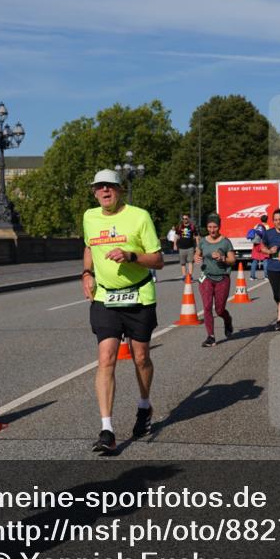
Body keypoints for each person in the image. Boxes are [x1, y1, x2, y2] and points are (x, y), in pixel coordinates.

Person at [82, 169, 164, 453]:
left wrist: (131, 256)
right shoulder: (89, 217)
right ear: (94, 192)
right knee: (106, 358)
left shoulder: (139, 216)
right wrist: (86, 273)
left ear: (120, 189)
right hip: (105, 297)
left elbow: (158, 259)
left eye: (110, 187)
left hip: (139, 295)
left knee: (141, 358)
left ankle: (144, 406)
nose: (105, 192)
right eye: (99, 188)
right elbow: (89, 247)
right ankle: (107, 429)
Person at [195, 214, 236, 347]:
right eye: (209, 227)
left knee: (219, 310)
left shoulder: (225, 242)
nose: (212, 230)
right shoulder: (202, 241)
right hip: (206, 277)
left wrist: (223, 258)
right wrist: (196, 258)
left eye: (215, 227)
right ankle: (210, 336)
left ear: (219, 227)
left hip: (222, 278)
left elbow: (233, 260)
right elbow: (198, 252)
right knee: (207, 307)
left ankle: (227, 319)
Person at [259, 209, 280, 331]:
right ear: (273, 221)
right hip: (272, 267)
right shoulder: (269, 233)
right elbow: (262, 247)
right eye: (276, 220)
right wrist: (269, 251)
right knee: (276, 295)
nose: (278, 222)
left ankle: (279, 321)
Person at [174, 214, 196, 281]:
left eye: (186, 218)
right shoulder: (180, 227)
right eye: (183, 219)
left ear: (188, 219)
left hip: (190, 247)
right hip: (181, 247)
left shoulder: (192, 227)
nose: (184, 220)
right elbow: (176, 236)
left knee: (190, 262)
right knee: (182, 263)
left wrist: (198, 246)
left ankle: (190, 276)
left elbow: (197, 236)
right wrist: (175, 245)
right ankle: (184, 276)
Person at [248, 215, 269, 280]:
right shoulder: (267, 226)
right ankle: (266, 276)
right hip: (263, 244)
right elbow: (267, 236)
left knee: (255, 260)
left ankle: (252, 276)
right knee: (265, 259)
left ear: (261, 219)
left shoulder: (257, 225)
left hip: (256, 244)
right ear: (266, 220)